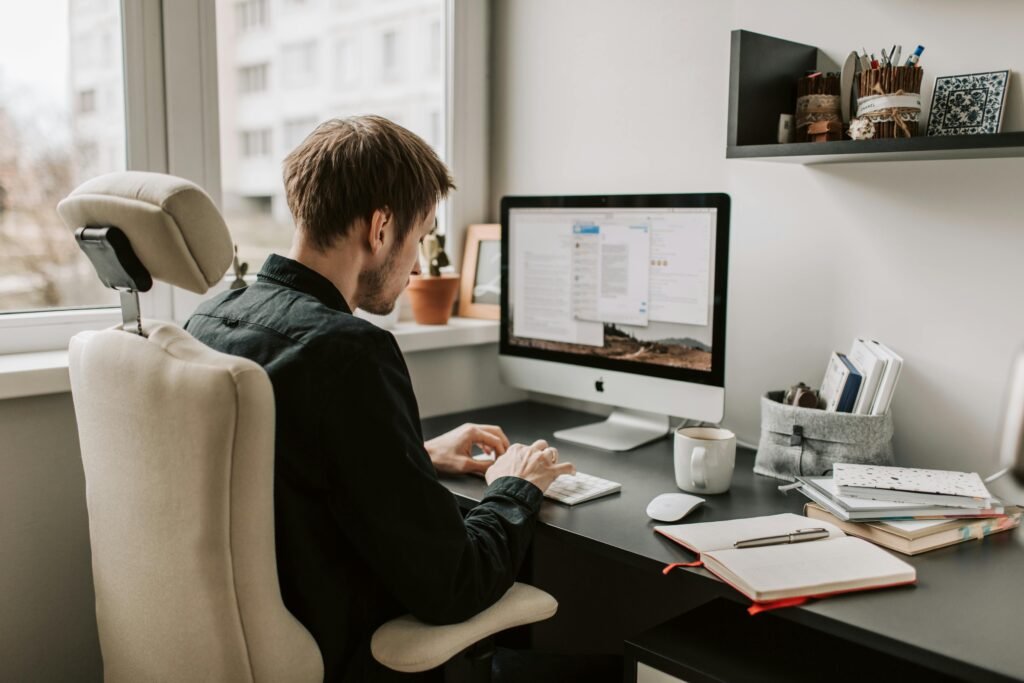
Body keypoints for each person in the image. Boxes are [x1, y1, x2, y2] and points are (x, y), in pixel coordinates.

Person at [185, 115, 578, 682]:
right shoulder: (350, 353)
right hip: (342, 650)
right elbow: (454, 585)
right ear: (381, 228)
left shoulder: (214, 316)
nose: (419, 263)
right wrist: (515, 485)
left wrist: (414, 453)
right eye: (419, 238)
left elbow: (282, 463)